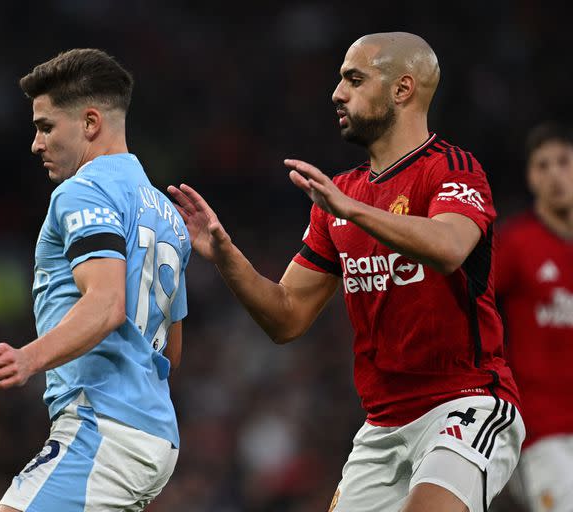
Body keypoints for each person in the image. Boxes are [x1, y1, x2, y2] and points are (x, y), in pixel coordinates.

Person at [169, 32, 523, 512]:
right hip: (381, 427)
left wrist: (353, 210)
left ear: (402, 90)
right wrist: (227, 255)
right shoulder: (341, 195)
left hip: (467, 403)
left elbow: (450, 246)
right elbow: (287, 317)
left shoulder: (452, 170)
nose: (337, 93)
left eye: (354, 80)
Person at [0, 48, 190, 511]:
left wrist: (27, 359)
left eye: (46, 126)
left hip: (101, 424)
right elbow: (172, 350)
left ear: (90, 123)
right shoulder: (164, 211)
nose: (36, 143)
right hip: (153, 432)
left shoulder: (83, 190)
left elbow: (107, 305)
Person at [495, 123, 573, 512]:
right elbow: (473, 301)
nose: (555, 174)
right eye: (543, 166)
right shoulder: (516, 243)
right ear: (531, 176)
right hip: (541, 433)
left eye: (563, 162)